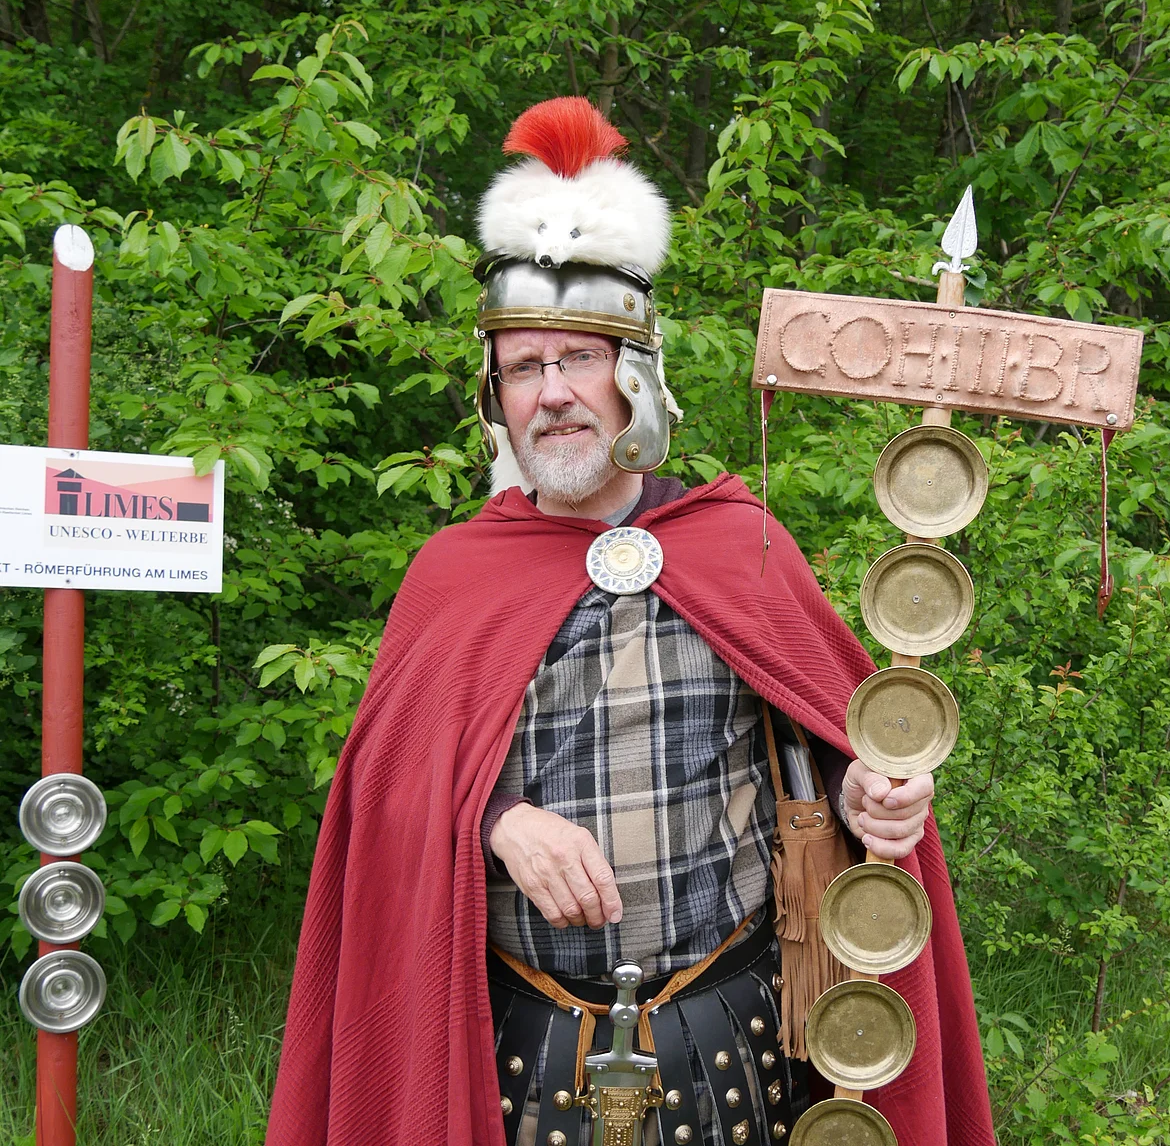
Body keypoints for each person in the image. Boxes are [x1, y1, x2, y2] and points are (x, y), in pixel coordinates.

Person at [266, 99, 994, 1146]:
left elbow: (821, 754)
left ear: (637, 376)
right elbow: (380, 801)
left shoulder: (738, 544)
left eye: (580, 357)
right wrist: (494, 820)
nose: (554, 393)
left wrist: (868, 797)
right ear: (495, 397)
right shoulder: (455, 574)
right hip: (522, 1055)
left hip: (733, 1048)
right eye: (525, 367)